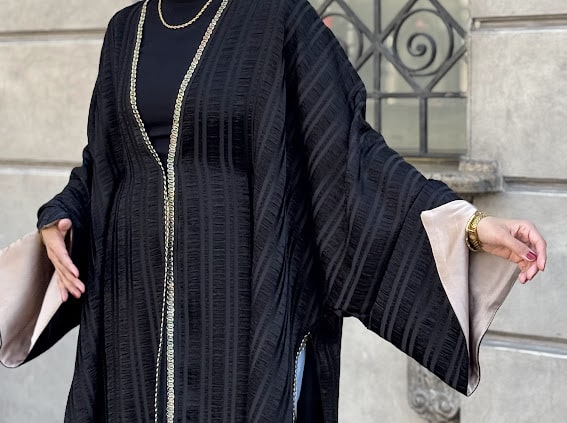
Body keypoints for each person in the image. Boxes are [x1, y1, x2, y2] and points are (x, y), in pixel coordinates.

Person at [2, 0, 547, 422]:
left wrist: (467, 226)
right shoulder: (125, 31)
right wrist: (62, 215)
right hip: (132, 315)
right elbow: (104, 163)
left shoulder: (276, 19)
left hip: (243, 313)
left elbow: (349, 155)